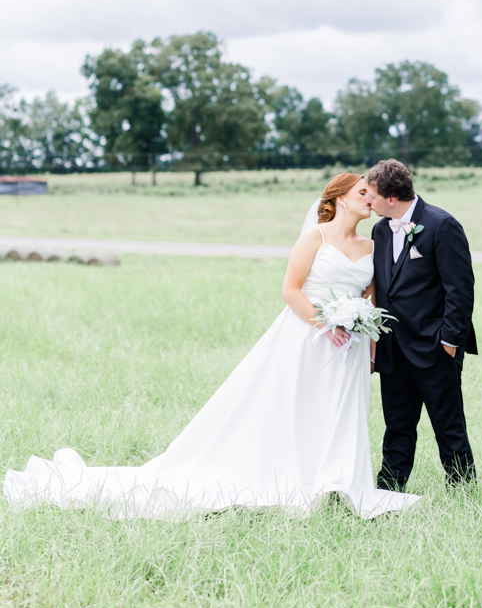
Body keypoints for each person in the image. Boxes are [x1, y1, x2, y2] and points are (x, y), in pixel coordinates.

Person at [3, 173, 420, 520]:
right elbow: (290, 290)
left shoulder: (371, 245)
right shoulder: (315, 237)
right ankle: (291, 477)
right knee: (295, 405)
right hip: (307, 338)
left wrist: (362, 332)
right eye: (362, 192)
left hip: (347, 349)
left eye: (372, 193)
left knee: (339, 410)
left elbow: (370, 296)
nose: (371, 198)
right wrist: (324, 323)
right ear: (340, 198)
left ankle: (336, 481)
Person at [367, 159, 477, 490]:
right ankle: (387, 493)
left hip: (435, 348)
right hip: (393, 350)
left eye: (371, 195)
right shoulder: (379, 230)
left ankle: (463, 491)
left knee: (448, 425)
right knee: (397, 425)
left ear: (390, 198)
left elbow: (460, 290)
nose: (367, 201)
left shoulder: (442, 225)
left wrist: (449, 343)